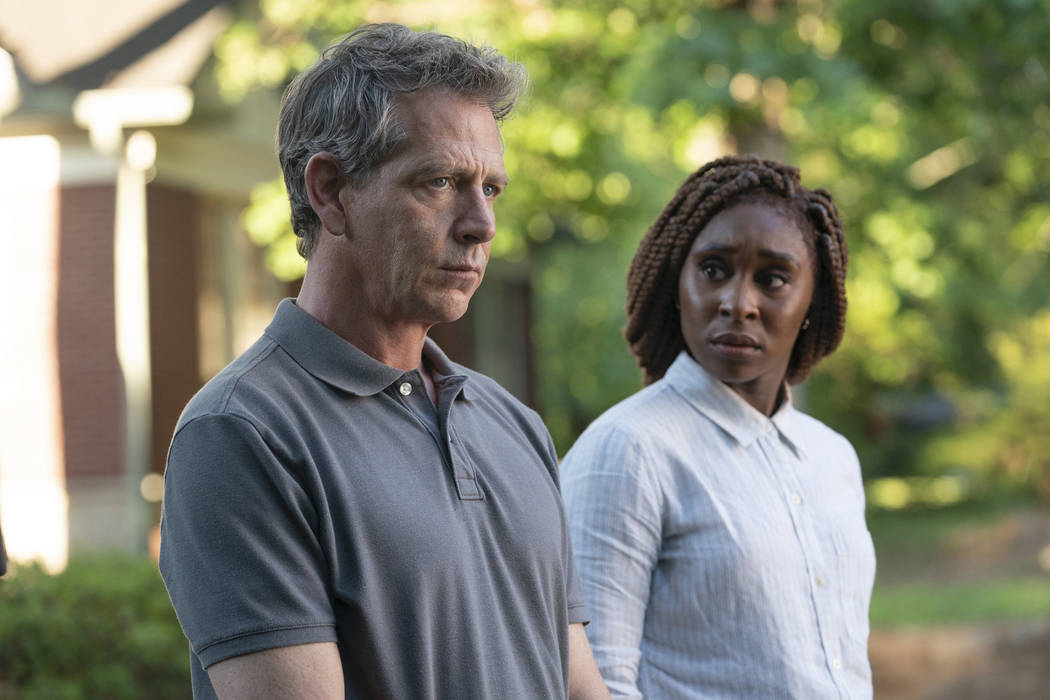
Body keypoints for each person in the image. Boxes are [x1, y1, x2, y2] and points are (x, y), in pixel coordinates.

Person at [159, 24, 609, 700]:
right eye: (440, 182)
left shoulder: (515, 427)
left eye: (491, 189)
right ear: (331, 191)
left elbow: (578, 687)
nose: (481, 225)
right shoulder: (240, 435)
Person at [560, 155, 875, 699]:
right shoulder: (629, 449)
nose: (738, 303)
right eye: (713, 270)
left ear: (811, 302)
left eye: (773, 279)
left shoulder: (833, 457)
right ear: (676, 283)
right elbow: (593, 683)